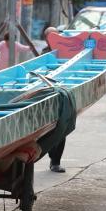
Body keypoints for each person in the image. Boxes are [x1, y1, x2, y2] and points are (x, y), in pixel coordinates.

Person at [40, 25, 66, 173]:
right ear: (46, 39)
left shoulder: (65, 52)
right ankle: (51, 157)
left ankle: (56, 161)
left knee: (62, 128)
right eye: (52, 37)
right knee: (49, 130)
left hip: (63, 95)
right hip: (48, 95)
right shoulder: (44, 54)